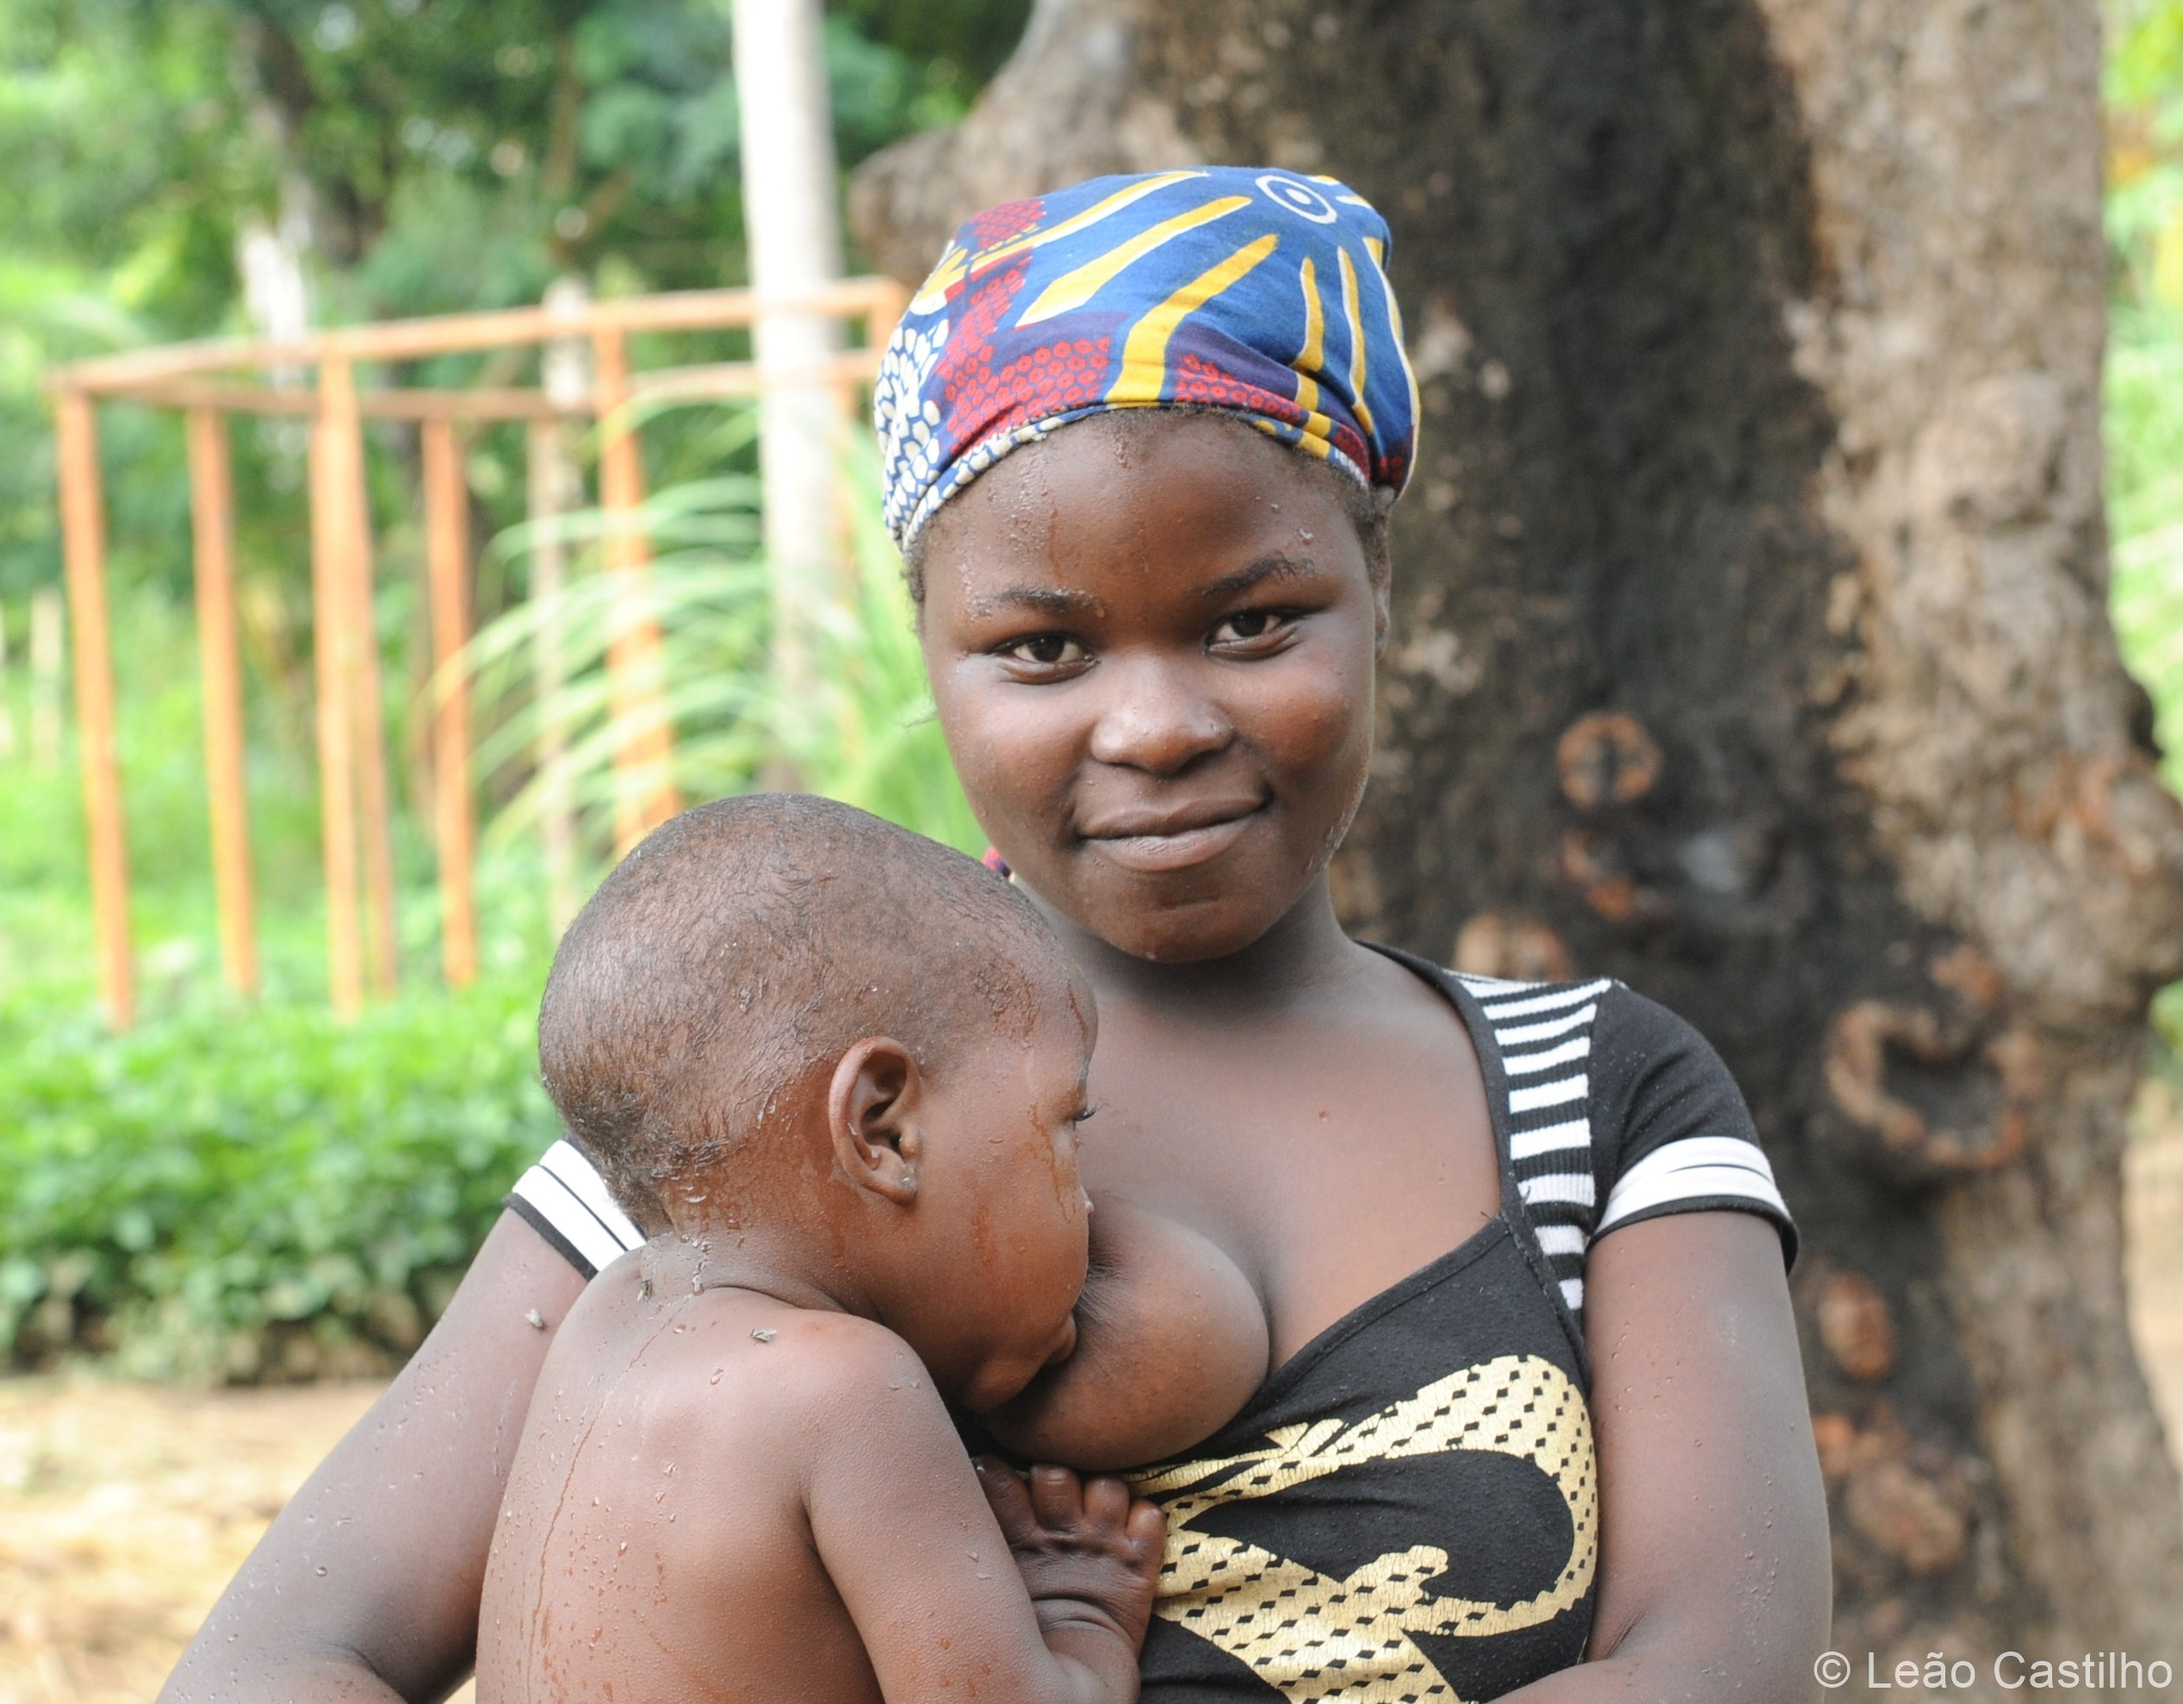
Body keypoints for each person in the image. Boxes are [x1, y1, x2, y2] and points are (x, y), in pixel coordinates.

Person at [162, 167, 1831, 1704]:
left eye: (1254, 620)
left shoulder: (1599, 1099)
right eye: (1044, 649)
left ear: (1376, 577)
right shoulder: (741, 1107)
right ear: (932, 637)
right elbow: (283, 1657)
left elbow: (1724, 1655)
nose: (1159, 721)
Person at [476, 792, 1166, 1704]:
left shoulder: (602, 1319)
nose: (1085, 1196)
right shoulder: (848, 1388)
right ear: (882, 1130)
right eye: (1067, 1125)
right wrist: (1082, 1615)